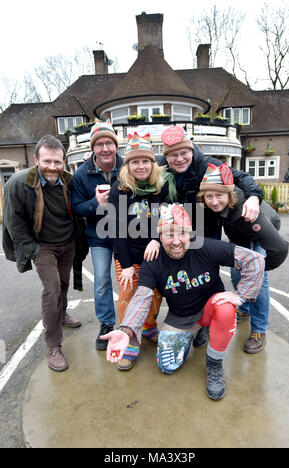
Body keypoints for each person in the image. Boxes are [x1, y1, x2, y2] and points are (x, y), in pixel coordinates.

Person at [101, 204, 265, 401]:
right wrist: (127, 329)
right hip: (181, 316)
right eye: (169, 235)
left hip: (210, 309)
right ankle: (196, 332)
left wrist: (241, 295)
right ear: (160, 237)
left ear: (190, 234)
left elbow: (255, 260)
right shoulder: (153, 260)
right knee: (166, 366)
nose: (176, 241)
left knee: (226, 308)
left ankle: (214, 363)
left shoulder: (205, 246)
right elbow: (141, 298)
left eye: (181, 234)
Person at [2, 135, 81, 372]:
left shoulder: (69, 180)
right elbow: (13, 223)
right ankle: (53, 345)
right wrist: (33, 251)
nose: (52, 167)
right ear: (36, 159)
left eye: (58, 162)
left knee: (64, 283)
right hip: (42, 246)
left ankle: (62, 314)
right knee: (52, 289)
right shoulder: (18, 183)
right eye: (47, 161)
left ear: (64, 161)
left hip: (67, 243)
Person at [197, 163, 289, 353]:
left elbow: (280, 248)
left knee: (258, 278)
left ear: (229, 195)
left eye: (219, 195)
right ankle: (244, 310)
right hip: (239, 235)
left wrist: (261, 270)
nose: (214, 202)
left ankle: (259, 330)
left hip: (260, 232)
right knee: (236, 272)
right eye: (209, 196)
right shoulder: (209, 207)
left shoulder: (246, 213)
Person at [109, 132, 175, 370]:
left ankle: (148, 327)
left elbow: (165, 220)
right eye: (135, 161)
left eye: (145, 161)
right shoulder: (120, 189)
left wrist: (157, 239)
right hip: (128, 253)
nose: (140, 166)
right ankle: (130, 339)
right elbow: (116, 229)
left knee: (155, 294)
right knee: (128, 296)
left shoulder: (161, 187)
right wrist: (125, 265)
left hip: (154, 253)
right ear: (127, 165)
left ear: (152, 163)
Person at [71, 121, 123, 350]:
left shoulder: (127, 166)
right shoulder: (82, 174)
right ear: (93, 147)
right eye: (99, 144)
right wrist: (96, 203)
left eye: (109, 143)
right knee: (101, 280)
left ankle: (133, 323)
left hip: (126, 234)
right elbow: (75, 207)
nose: (105, 148)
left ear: (115, 145)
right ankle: (106, 325)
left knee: (130, 280)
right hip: (99, 236)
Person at [158, 126, 264, 234]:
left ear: (191, 151)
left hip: (207, 229)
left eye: (184, 153)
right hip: (174, 230)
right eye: (173, 155)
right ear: (166, 156)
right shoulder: (158, 168)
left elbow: (241, 177)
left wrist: (254, 197)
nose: (180, 159)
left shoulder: (207, 165)